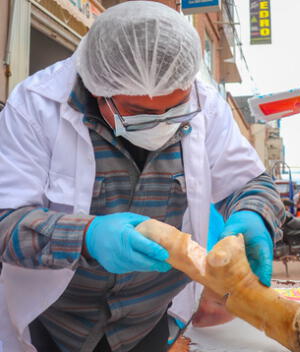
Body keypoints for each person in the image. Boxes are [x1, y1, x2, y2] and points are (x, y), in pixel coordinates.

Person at [0, 2, 285, 351]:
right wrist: (87, 237)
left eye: (175, 109)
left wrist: (254, 216)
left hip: (152, 322)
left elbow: (251, 182)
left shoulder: (206, 105)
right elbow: (5, 221)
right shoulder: (35, 106)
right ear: (97, 86)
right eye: (138, 112)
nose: (162, 123)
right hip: (55, 323)